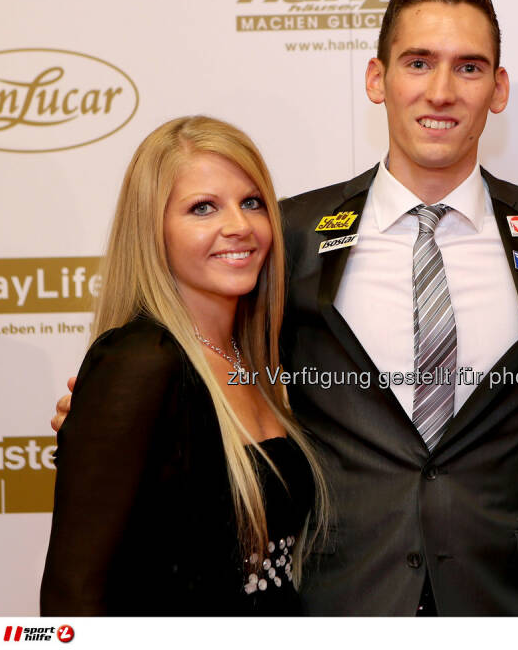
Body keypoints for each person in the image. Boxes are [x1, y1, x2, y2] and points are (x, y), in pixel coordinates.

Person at [55, 0, 518, 615]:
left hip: (511, 604)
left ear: (497, 90)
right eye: (418, 62)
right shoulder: (284, 236)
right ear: (376, 79)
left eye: (469, 67)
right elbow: (201, 366)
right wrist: (122, 420)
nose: (441, 91)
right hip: (339, 604)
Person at [41, 116, 327, 615]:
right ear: (153, 230)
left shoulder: (254, 362)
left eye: (252, 202)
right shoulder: (139, 362)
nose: (238, 225)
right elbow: (74, 594)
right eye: (203, 208)